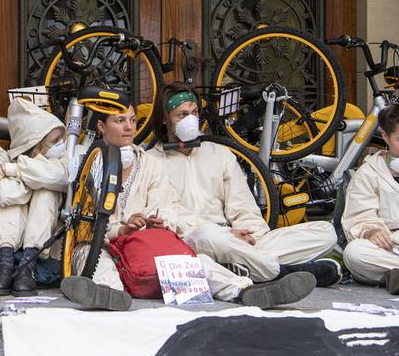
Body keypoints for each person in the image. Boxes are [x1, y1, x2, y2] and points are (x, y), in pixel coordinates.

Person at [61, 104, 317, 311]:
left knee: (196, 263)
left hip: (145, 246)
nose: (128, 127)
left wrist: (156, 222)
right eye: (119, 121)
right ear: (101, 126)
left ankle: (247, 291)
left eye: (132, 120)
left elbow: (166, 208)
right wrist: (121, 229)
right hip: (103, 245)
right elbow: (83, 223)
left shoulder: (148, 163)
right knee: (91, 259)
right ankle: (111, 297)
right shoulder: (86, 164)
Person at [146, 82, 341, 288]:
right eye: (182, 115)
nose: (191, 120)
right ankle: (280, 272)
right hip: (195, 240)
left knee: (325, 232)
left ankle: (243, 267)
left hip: (235, 240)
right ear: (164, 119)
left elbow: (243, 206)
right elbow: (167, 213)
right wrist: (225, 235)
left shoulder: (218, 152)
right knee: (208, 235)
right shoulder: (150, 161)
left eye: (194, 113)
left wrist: (251, 236)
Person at [342, 103, 399, 294]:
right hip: (396, 249)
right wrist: (371, 232)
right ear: (385, 137)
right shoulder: (369, 172)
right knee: (355, 253)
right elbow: (358, 217)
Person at [0, 97, 67, 297]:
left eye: (61, 139)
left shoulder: (61, 160)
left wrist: (10, 170)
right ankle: (5, 267)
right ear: (35, 145)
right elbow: (2, 194)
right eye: (54, 141)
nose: (61, 145)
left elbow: (62, 178)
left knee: (47, 191)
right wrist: (33, 180)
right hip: (5, 246)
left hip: (43, 253)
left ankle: (26, 267)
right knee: (7, 201)